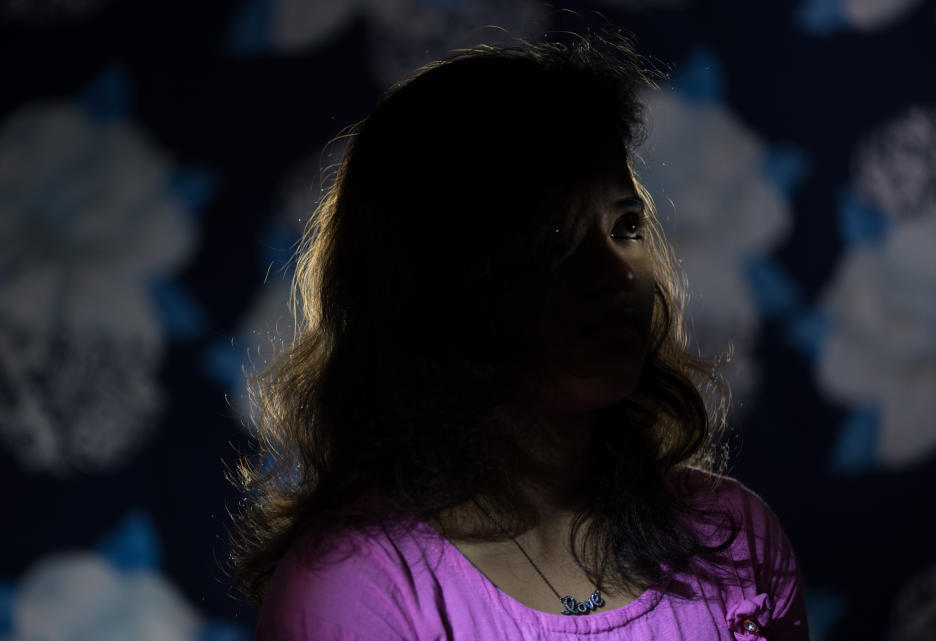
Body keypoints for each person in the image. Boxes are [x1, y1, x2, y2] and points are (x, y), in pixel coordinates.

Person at [230, 31, 810, 640]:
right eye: (555, 239)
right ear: (435, 281)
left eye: (626, 225)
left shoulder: (735, 536)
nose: (615, 272)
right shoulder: (355, 588)